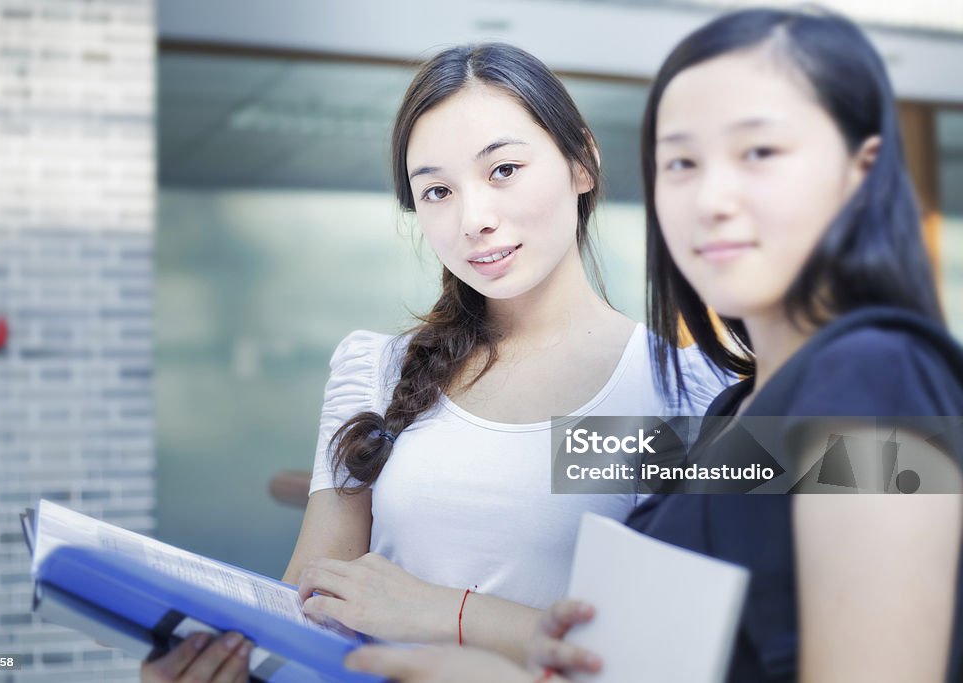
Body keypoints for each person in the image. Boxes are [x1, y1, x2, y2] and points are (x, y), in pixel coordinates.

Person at [341, 7, 963, 683]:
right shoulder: (736, 415)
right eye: (681, 162)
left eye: (759, 152)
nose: (712, 197)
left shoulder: (876, 377)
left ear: (860, 170)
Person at [140, 42, 729, 683]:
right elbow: (306, 614)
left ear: (581, 162)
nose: (473, 219)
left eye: (503, 170)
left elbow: (679, 654)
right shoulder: (377, 370)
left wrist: (445, 613)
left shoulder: (683, 389)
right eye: (438, 190)